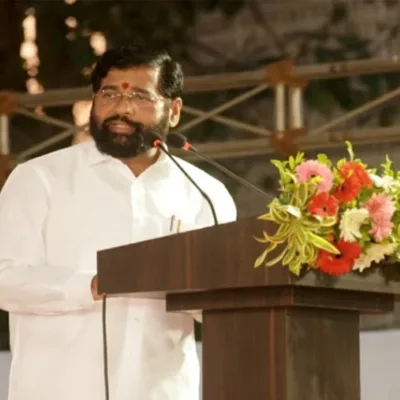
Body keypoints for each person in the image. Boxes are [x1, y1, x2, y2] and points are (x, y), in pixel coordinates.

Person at [0, 45, 237, 400]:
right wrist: (95, 284)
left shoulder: (204, 193)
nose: (121, 108)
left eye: (140, 96)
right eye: (108, 94)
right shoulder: (40, 178)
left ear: (173, 111)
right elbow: (5, 278)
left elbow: (222, 304)